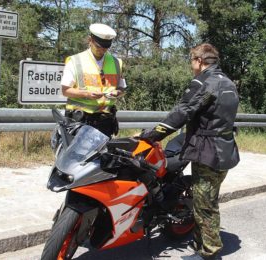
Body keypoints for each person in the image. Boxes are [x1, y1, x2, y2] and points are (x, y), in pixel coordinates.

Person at [140, 43, 240, 260]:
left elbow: (183, 111)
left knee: (205, 204)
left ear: (200, 61)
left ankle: (209, 253)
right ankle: (198, 242)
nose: (191, 66)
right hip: (225, 149)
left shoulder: (205, 83)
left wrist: (154, 134)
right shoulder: (229, 83)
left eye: (191, 61)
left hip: (209, 152)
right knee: (204, 198)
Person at [61, 23, 126, 137]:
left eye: (106, 47)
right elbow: (65, 90)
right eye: (99, 46)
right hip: (80, 121)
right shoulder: (75, 61)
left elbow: (122, 87)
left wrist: (118, 92)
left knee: (104, 155)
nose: (102, 50)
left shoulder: (116, 62)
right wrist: (86, 94)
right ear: (90, 40)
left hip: (105, 121)